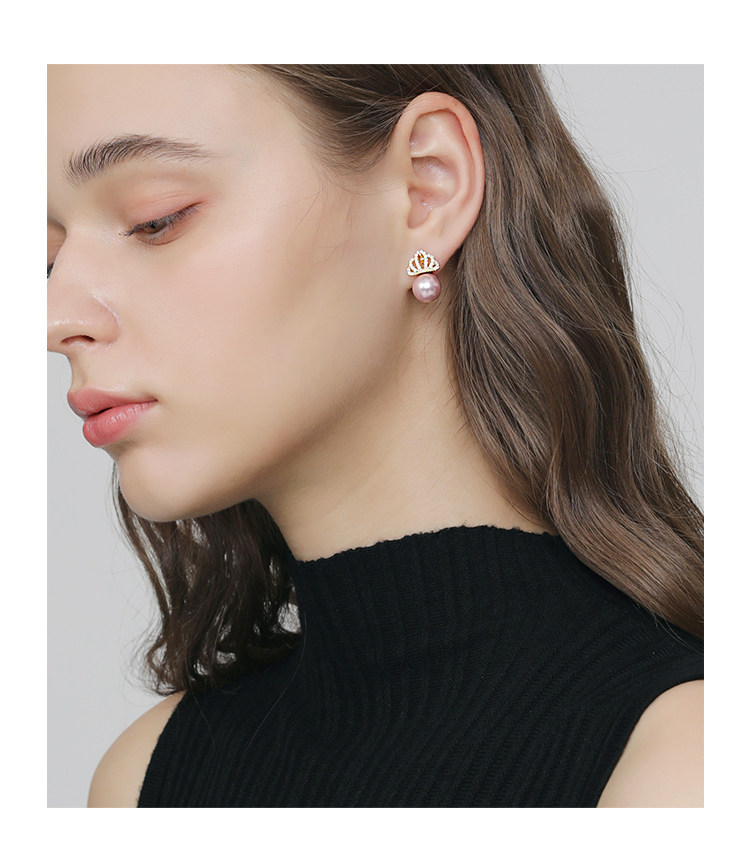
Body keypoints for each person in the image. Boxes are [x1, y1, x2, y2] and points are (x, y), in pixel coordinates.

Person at [47, 64, 703, 808]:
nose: (56, 317)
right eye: (51, 257)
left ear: (426, 191)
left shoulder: (687, 761)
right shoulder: (143, 779)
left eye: (155, 220)